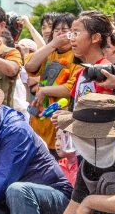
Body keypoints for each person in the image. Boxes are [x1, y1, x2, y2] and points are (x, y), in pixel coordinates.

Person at [24, 13, 77, 153]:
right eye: (56, 31)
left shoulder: (77, 55)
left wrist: (44, 90)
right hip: (39, 124)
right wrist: (52, 44)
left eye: (65, 31)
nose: (60, 34)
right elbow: (30, 66)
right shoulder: (48, 51)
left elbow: (71, 88)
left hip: (60, 127)